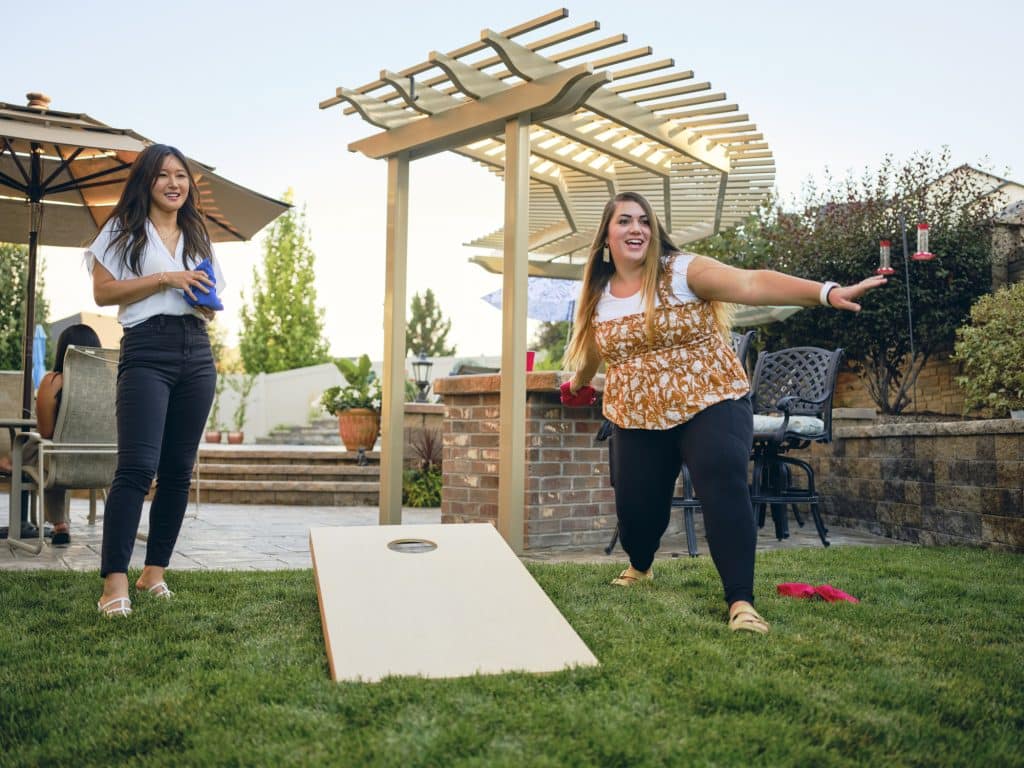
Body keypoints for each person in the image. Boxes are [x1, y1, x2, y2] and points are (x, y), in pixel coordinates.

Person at [561, 191, 885, 634]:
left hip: (710, 396)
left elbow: (752, 283)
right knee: (637, 510)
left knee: (721, 478)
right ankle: (640, 564)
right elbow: (599, 350)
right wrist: (578, 383)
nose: (636, 228)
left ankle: (741, 602)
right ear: (606, 237)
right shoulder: (598, 296)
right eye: (624, 221)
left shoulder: (682, 271)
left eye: (644, 221)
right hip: (638, 411)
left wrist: (827, 293)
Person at [88, 144, 224, 618]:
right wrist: (165, 279)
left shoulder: (197, 233)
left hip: (196, 349)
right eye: (163, 175)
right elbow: (103, 291)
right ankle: (114, 583)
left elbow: (210, 299)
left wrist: (202, 298)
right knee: (136, 468)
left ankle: (154, 573)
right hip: (147, 347)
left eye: (181, 176)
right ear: (146, 181)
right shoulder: (122, 229)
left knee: (178, 472)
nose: (174, 184)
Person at [0, 324, 101, 545]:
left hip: (62, 463)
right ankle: (60, 525)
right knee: (55, 450)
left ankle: (59, 524)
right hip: (102, 463)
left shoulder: (54, 381)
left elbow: (45, 431)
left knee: (49, 447)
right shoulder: (112, 382)